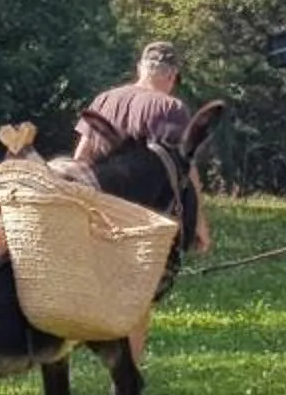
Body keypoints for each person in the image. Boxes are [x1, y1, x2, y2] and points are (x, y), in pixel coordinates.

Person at [74, 41, 212, 365]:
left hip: (97, 210)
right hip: (142, 216)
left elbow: (81, 157)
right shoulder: (170, 108)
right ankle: (124, 386)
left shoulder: (105, 100)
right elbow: (185, 168)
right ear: (173, 75)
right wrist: (200, 223)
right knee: (139, 301)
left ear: (140, 68)